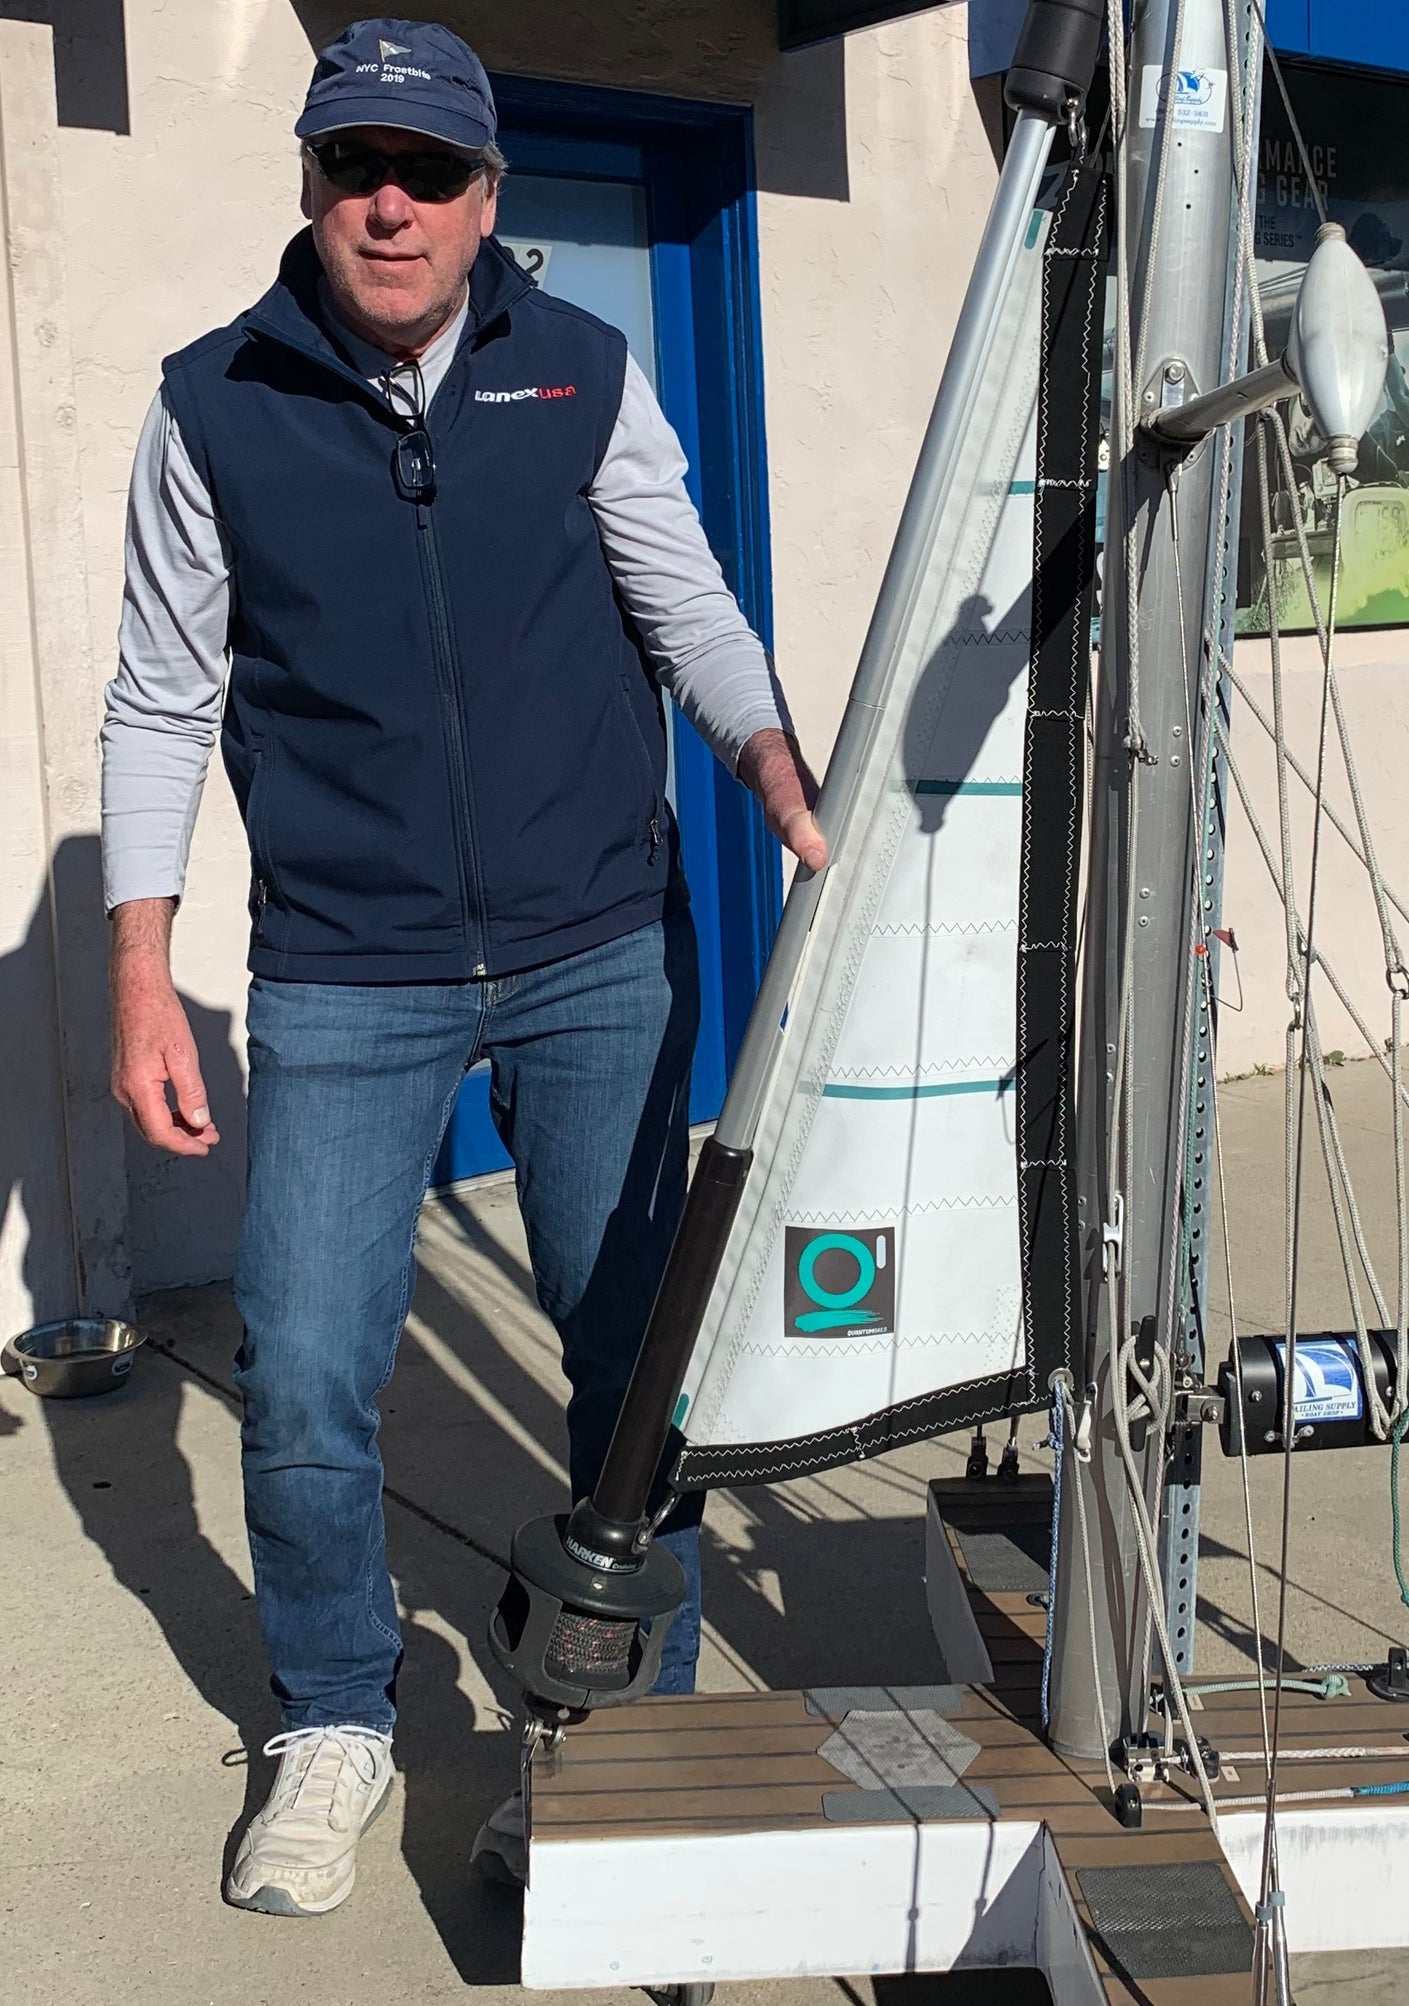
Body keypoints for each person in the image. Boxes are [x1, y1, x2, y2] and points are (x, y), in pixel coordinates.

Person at [99, 17, 824, 1918]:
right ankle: (336, 1714)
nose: (392, 203)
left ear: (492, 200)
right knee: (309, 1365)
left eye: (429, 173)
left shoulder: (581, 371)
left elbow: (683, 595)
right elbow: (163, 698)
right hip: (348, 969)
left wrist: (771, 767)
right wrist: (141, 973)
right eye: (358, 168)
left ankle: (621, 1738)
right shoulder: (213, 404)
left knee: (623, 1357)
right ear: (313, 186)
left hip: (597, 943)